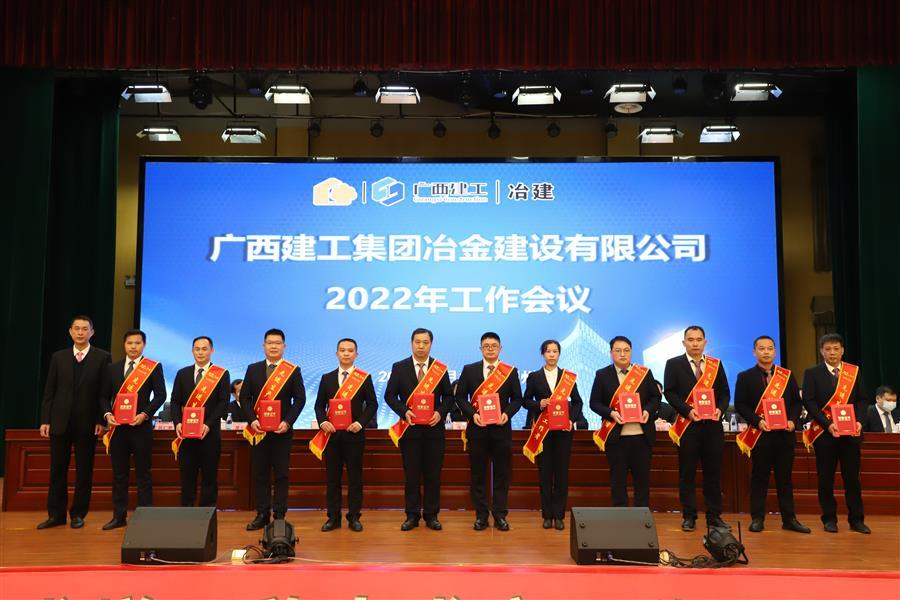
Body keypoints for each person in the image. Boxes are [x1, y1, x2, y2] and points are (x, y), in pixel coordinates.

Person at [38, 316, 111, 530]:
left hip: (88, 424)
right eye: (77, 329)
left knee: (84, 471)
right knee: (57, 470)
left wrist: (101, 419)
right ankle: (56, 515)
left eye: (85, 329)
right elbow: (49, 391)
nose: (80, 332)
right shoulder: (58, 357)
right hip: (59, 422)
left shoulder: (102, 357)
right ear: (70, 331)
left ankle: (78, 514)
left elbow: (104, 393)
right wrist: (45, 419)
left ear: (92, 332)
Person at [734, 335, 810, 533]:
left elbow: (796, 402)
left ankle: (789, 519)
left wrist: (793, 420)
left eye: (769, 348)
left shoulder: (786, 376)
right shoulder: (745, 377)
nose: (766, 352)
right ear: (754, 352)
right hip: (760, 436)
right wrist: (758, 421)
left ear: (775, 352)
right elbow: (741, 404)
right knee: (759, 478)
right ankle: (757, 519)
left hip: (784, 436)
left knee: (785, 479)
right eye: (761, 348)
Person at [384, 328, 454, 531]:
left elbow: (449, 397)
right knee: (412, 475)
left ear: (431, 344)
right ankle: (412, 515)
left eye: (425, 342)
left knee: (433, 475)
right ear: (411, 343)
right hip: (410, 430)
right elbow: (390, 395)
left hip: (434, 430)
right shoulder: (400, 367)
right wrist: (404, 411)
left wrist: (440, 413)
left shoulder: (439, 369)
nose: (421, 346)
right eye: (417, 342)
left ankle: (431, 515)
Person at [664, 325, 730, 532]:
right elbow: (670, 393)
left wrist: (720, 409)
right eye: (691, 340)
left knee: (713, 474)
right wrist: (687, 411)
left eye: (699, 339)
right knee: (687, 474)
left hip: (712, 427)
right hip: (688, 427)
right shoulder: (674, 364)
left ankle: (714, 516)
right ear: (684, 342)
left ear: (705, 342)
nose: (695, 343)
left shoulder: (715, 365)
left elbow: (725, 393)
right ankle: (689, 516)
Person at [802, 333, 870, 534]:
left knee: (852, 479)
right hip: (825, 435)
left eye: (836, 348)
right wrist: (827, 424)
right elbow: (809, 401)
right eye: (828, 349)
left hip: (851, 435)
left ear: (842, 351)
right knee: (825, 479)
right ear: (821, 351)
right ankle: (829, 519)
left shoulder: (853, 372)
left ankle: (856, 520)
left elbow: (863, 400)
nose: (832, 352)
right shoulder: (812, 373)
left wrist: (859, 421)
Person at [455, 332, 523, 531]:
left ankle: (500, 515)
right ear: (480, 349)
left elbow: (517, 399)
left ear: (500, 348)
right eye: (486, 346)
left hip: (501, 430)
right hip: (478, 430)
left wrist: (507, 414)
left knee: (501, 474)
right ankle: (481, 515)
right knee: (478, 474)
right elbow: (460, 397)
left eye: (494, 346)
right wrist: (472, 415)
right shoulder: (469, 370)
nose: (490, 349)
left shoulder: (509, 372)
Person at [239, 328, 306, 530]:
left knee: (281, 474)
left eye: (277, 343)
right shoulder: (253, 369)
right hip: (258, 431)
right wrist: (252, 420)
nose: (273, 346)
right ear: (264, 346)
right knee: (260, 474)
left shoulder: (292, 370)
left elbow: (300, 399)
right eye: (270, 343)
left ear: (284, 346)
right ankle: (262, 514)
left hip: (282, 432)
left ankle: (279, 515)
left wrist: (287, 422)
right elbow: (244, 398)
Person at [100, 329, 166, 530]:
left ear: (143, 345)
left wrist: (145, 414)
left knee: (143, 474)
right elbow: (103, 396)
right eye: (130, 343)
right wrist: (107, 414)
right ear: (124, 345)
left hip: (141, 427)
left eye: (137, 343)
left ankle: (145, 517)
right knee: (119, 475)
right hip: (118, 429)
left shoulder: (152, 367)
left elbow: (161, 395)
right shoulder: (112, 368)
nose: (133, 347)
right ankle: (119, 517)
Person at [313, 338, 377, 532]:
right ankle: (333, 518)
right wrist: (323, 422)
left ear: (356, 354)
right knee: (333, 479)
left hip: (354, 436)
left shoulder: (363, 378)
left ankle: (354, 517)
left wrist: (360, 423)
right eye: (342, 350)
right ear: (337, 354)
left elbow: (372, 404)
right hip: (332, 437)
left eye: (350, 350)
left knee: (355, 479)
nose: (346, 353)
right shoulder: (327, 378)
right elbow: (319, 405)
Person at [589, 336, 660, 509]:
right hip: (616, 437)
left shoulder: (643, 373)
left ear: (631, 352)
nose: (623, 354)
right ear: (611, 353)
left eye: (626, 350)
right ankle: (620, 516)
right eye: (618, 350)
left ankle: (642, 516)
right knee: (618, 480)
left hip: (642, 436)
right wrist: (611, 413)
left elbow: (655, 397)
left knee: (642, 480)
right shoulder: (602, 375)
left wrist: (647, 411)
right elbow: (594, 403)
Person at [523, 339, 585, 530]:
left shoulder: (567, 377)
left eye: (555, 351)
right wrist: (539, 404)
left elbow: (578, 402)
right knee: (544, 474)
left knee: (561, 474)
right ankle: (547, 515)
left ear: (559, 354)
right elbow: (525, 401)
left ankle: (559, 516)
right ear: (543, 354)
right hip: (543, 433)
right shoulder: (534, 377)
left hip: (563, 432)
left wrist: (571, 420)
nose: (551, 354)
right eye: (548, 351)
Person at [170, 336, 231, 507]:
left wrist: (208, 424)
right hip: (186, 435)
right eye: (197, 349)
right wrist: (178, 423)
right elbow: (175, 401)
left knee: (209, 476)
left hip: (209, 434)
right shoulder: (182, 374)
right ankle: (186, 513)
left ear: (212, 351)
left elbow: (223, 402)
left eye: (204, 349)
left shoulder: (221, 374)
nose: (200, 352)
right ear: (192, 351)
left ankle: (207, 513)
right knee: (187, 476)